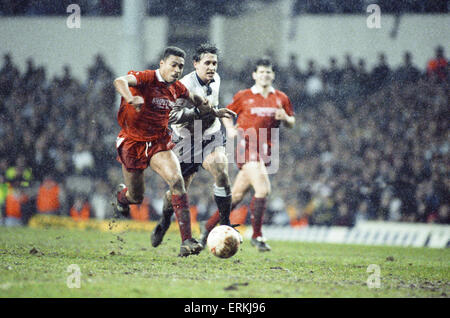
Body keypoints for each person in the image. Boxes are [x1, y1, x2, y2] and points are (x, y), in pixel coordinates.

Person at [113, 46, 226, 257]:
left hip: (158, 142)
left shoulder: (177, 88)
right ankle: (122, 198)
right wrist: (130, 98)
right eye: (173, 65)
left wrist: (211, 109)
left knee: (177, 181)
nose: (177, 70)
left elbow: (195, 97)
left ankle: (186, 241)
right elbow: (119, 81)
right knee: (136, 196)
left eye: (181, 67)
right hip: (132, 142)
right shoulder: (146, 77)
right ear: (162, 64)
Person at [201, 57, 295, 252]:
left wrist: (285, 117)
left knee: (235, 197)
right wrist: (230, 129)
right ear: (254, 75)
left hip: (267, 151)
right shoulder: (244, 96)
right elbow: (226, 113)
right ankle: (257, 235)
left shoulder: (281, 98)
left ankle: (207, 227)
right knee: (263, 190)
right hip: (247, 147)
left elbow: (292, 122)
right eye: (261, 72)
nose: (265, 75)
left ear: (273, 75)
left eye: (268, 72)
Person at [149, 43, 237, 249]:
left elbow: (210, 106)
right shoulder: (183, 86)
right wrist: (198, 114)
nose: (212, 67)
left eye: (215, 63)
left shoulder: (216, 80)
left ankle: (225, 224)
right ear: (195, 64)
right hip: (186, 140)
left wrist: (215, 113)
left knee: (220, 168)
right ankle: (164, 222)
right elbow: (171, 117)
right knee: (177, 191)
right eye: (207, 63)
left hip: (211, 135)